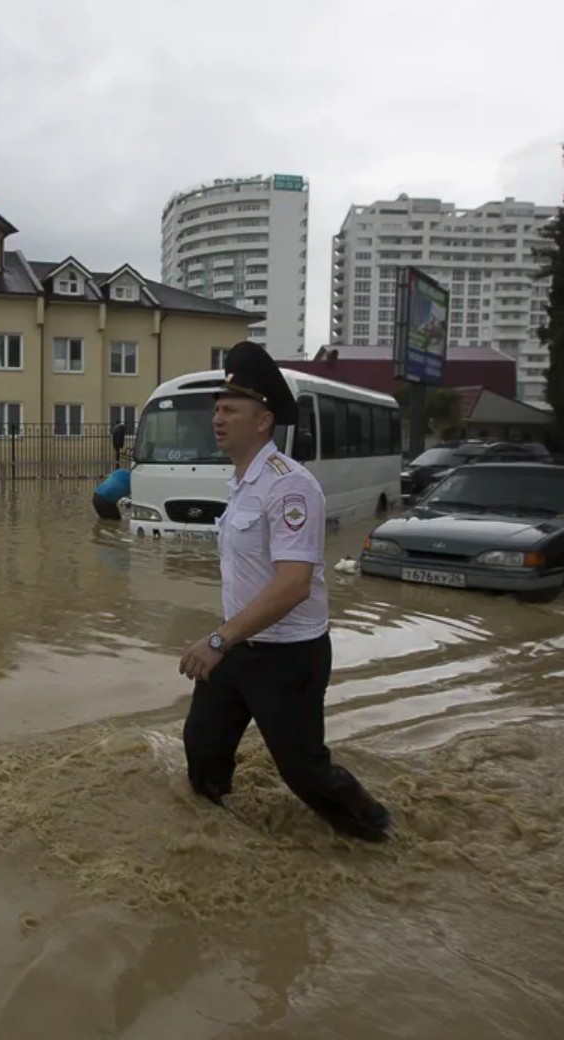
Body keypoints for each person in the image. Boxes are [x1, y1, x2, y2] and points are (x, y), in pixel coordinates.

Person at [178, 341, 392, 843]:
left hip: (288, 657)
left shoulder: (289, 487)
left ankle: (378, 835)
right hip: (238, 648)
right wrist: (225, 642)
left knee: (306, 774)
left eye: (230, 409)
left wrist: (216, 641)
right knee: (202, 750)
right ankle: (219, 841)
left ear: (263, 422)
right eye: (217, 409)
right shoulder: (241, 483)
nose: (218, 418)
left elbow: (293, 585)